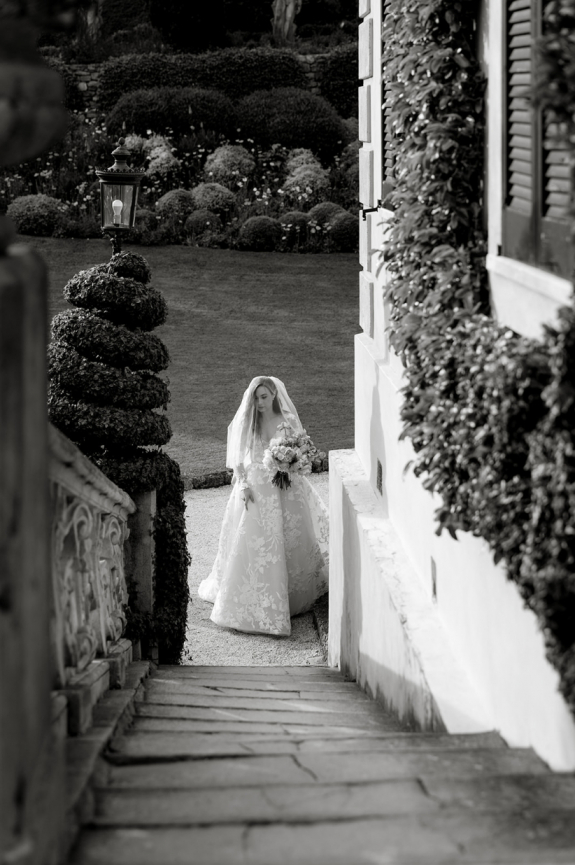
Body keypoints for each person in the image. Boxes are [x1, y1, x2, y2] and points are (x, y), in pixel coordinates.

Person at [198, 376, 328, 636]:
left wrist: (294, 463)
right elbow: (238, 458)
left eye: (264, 397)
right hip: (256, 487)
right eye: (256, 398)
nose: (259, 403)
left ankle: (288, 597)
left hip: (285, 487)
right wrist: (244, 485)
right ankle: (251, 602)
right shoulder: (250, 423)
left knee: (291, 537)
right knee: (254, 540)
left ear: (274, 395)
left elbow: (300, 450)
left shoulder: (287, 421)